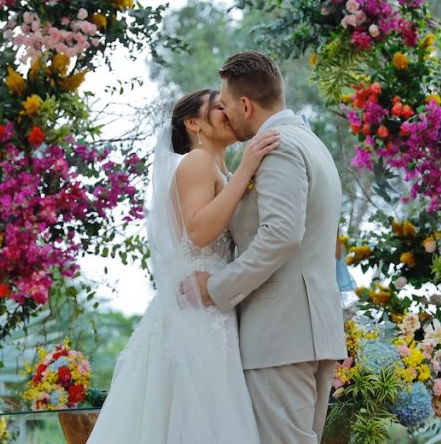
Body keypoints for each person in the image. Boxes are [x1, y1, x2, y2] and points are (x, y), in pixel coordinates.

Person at [87, 88, 279, 443]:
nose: (228, 112)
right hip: (195, 316)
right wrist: (247, 168)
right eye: (219, 107)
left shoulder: (219, 168)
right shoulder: (197, 162)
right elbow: (200, 230)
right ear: (194, 122)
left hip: (213, 308)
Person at [184, 51, 347, 443]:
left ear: (245, 105)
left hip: (280, 336)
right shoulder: (312, 143)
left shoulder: (279, 146)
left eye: (225, 105)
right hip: (309, 332)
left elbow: (281, 235)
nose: (224, 113)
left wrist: (217, 289)